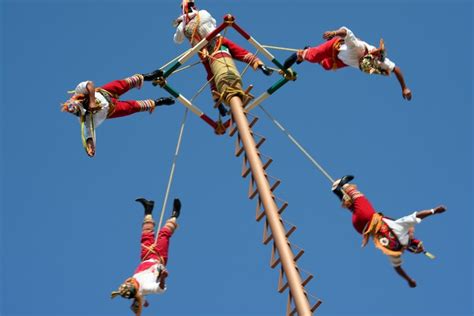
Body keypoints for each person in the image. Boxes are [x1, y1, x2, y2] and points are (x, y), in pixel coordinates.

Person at [332, 175, 446, 287]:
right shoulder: (395, 250)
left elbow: (417, 215)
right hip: (360, 228)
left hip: (368, 218)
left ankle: (344, 185)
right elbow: (398, 268)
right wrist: (408, 280)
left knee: (360, 199)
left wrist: (434, 210)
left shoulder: (402, 227)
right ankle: (338, 191)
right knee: (355, 207)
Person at [173, 0, 273, 117]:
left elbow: (179, 39)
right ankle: (218, 102)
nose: (190, 8)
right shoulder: (190, 21)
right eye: (188, 6)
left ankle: (261, 66)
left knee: (235, 54)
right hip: (206, 48)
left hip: (212, 43)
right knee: (214, 72)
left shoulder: (193, 19)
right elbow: (179, 39)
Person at [62, 70, 175, 157]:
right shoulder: (85, 118)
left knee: (124, 83)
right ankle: (158, 102)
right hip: (112, 110)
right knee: (133, 107)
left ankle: (148, 76)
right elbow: (88, 133)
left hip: (106, 92)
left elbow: (89, 84)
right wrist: (90, 146)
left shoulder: (79, 91)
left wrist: (91, 101)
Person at [283, 26, 412, 101]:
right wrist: (333, 33)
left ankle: (313, 55)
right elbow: (345, 31)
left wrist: (404, 88)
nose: (360, 62)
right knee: (312, 57)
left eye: (361, 64)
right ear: (364, 57)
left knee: (327, 66)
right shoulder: (357, 46)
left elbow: (396, 69)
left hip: (343, 60)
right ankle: (302, 54)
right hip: (334, 47)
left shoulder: (379, 62)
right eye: (361, 61)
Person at [111, 197, 182, 315]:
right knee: (163, 235)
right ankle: (175, 215)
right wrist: (163, 277)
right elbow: (160, 289)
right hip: (158, 257)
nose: (130, 281)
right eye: (130, 284)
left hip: (145, 256)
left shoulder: (135, 288)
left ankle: (148, 209)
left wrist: (142, 303)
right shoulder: (144, 287)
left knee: (146, 235)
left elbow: (142, 302)